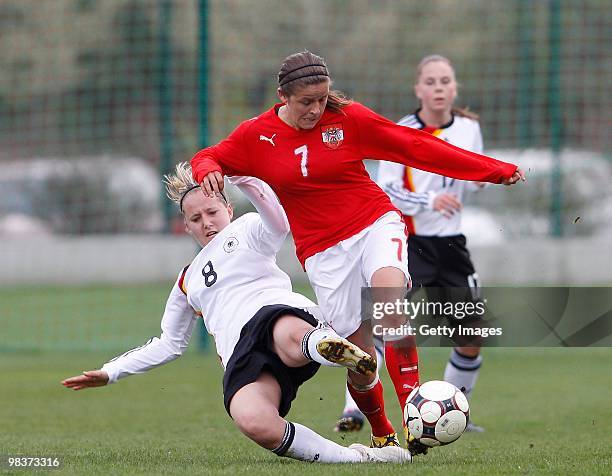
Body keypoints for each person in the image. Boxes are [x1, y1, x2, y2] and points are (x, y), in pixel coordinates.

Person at [190, 50, 524, 454]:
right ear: (282, 97)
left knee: (389, 301)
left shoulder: (348, 119)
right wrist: (205, 169)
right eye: (306, 102)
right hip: (322, 251)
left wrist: (493, 169)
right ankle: (381, 428)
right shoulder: (256, 136)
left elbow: (416, 146)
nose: (316, 109)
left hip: (372, 223)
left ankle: (414, 411)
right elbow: (210, 156)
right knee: (361, 358)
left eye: (322, 98)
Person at [61, 162, 413, 464]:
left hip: (278, 317)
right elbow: (169, 343)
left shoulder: (246, 230)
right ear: (186, 226)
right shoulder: (187, 280)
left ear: (228, 208)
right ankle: (358, 457)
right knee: (253, 420)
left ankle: (325, 344)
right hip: (243, 356)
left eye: (212, 212)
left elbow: (278, 222)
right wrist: (111, 372)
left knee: (281, 328)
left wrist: (248, 177)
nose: (206, 222)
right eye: (195, 218)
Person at [374, 54, 497, 433]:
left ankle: (456, 412)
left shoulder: (468, 129)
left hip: (451, 246)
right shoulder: (402, 131)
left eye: (445, 81)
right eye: (431, 81)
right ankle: (355, 408)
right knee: (385, 326)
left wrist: (480, 178)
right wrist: (429, 200)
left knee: (472, 333)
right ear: (418, 89)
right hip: (410, 243)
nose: (438, 87)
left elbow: (471, 173)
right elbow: (388, 190)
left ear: (454, 87)